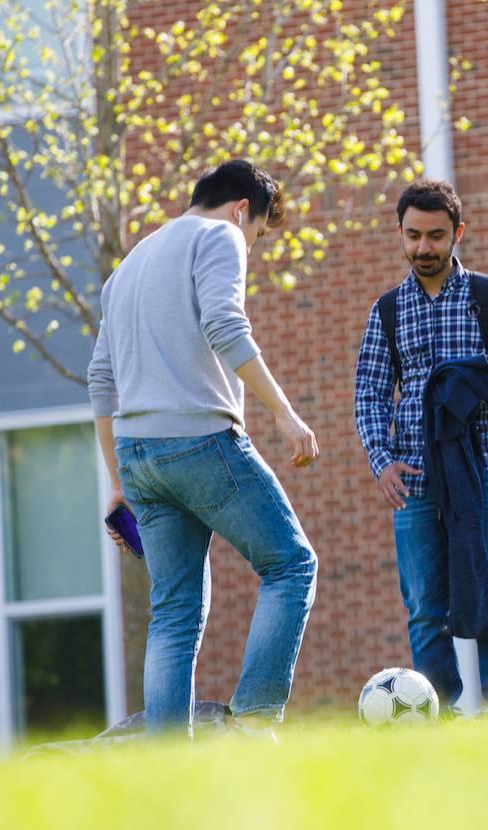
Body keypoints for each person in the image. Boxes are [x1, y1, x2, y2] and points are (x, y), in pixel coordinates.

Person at [88, 160, 320, 738]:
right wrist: (285, 414)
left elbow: (99, 377)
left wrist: (117, 480)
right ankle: (253, 723)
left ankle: (168, 760)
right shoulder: (221, 235)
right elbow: (224, 323)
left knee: (173, 614)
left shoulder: (129, 264)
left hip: (139, 456)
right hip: (199, 441)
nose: (252, 246)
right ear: (243, 209)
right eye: (258, 234)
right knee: (292, 563)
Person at [354, 179, 488, 706]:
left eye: (436, 236)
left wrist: (479, 391)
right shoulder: (387, 311)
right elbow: (369, 393)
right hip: (414, 474)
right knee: (423, 606)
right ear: (400, 233)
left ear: (457, 233)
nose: (424, 247)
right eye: (413, 235)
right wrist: (382, 462)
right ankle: (433, 713)